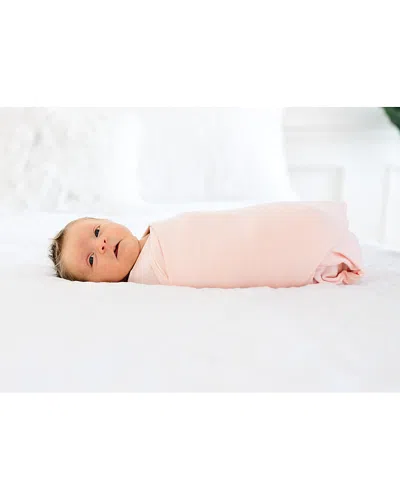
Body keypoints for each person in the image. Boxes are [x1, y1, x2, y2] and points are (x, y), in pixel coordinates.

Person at [49, 201, 364, 288]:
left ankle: (316, 229)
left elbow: (218, 226)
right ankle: (319, 252)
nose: (102, 245)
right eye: (91, 259)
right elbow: (218, 259)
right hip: (247, 249)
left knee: (267, 221)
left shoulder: (153, 234)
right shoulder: (149, 275)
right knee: (268, 245)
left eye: (97, 231)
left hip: (245, 226)